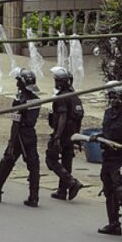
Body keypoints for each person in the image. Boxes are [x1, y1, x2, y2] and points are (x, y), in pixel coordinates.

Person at [0, 68, 42, 207]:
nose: (16, 83)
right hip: (31, 134)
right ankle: (34, 197)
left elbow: (16, 123)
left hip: (20, 136)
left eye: (18, 81)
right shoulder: (36, 100)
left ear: (23, 83)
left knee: (7, 162)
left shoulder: (19, 100)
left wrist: (11, 143)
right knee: (34, 165)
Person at [91, 83, 122, 240]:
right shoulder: (107, 114)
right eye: (110, 97)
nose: (112, 101)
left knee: (121, 190)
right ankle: (113, 224)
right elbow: (106, 132)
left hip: (119, 159)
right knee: (109, 191)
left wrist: (120, 146)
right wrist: (97, 136)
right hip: (107, 158)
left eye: (115, 97)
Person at [46, 66, 85, 201]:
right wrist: (77, 136)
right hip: (72, 134)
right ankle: (62, 191)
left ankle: (71, 182)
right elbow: (79, 118)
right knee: (67, 161)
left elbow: (62, 117)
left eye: (56, 80)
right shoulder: (75, 97)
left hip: (62, 134)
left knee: (51, 159)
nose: (55, 83)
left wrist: (57, 136)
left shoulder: (62, 97)